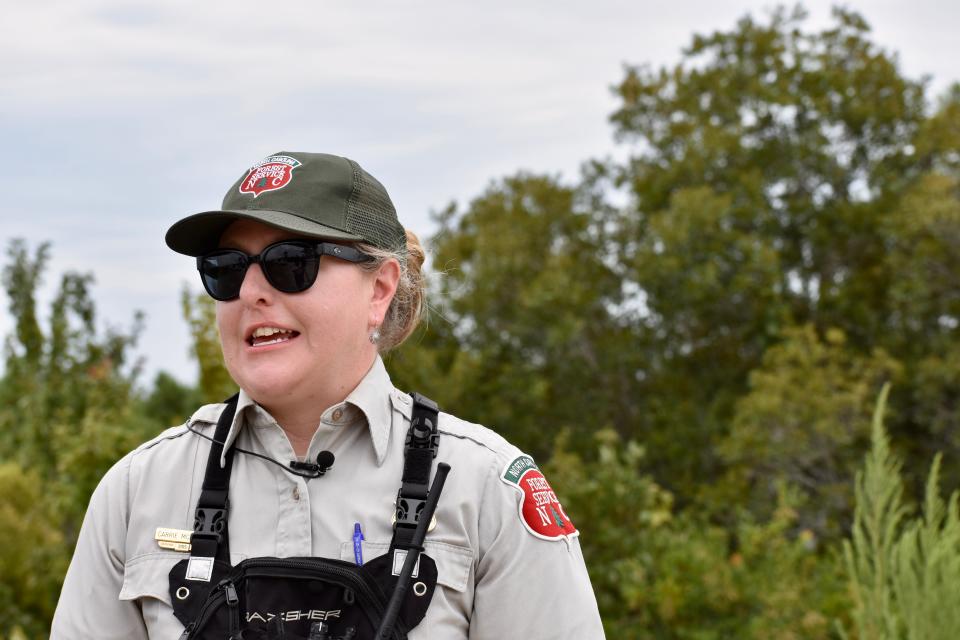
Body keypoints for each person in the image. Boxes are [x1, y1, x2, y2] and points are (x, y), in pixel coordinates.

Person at [51, 152, 605, 639]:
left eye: (291, 263)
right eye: (225, 270)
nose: (250, 291)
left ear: (380, 290)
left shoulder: (487, 490)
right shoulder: (133, 493)